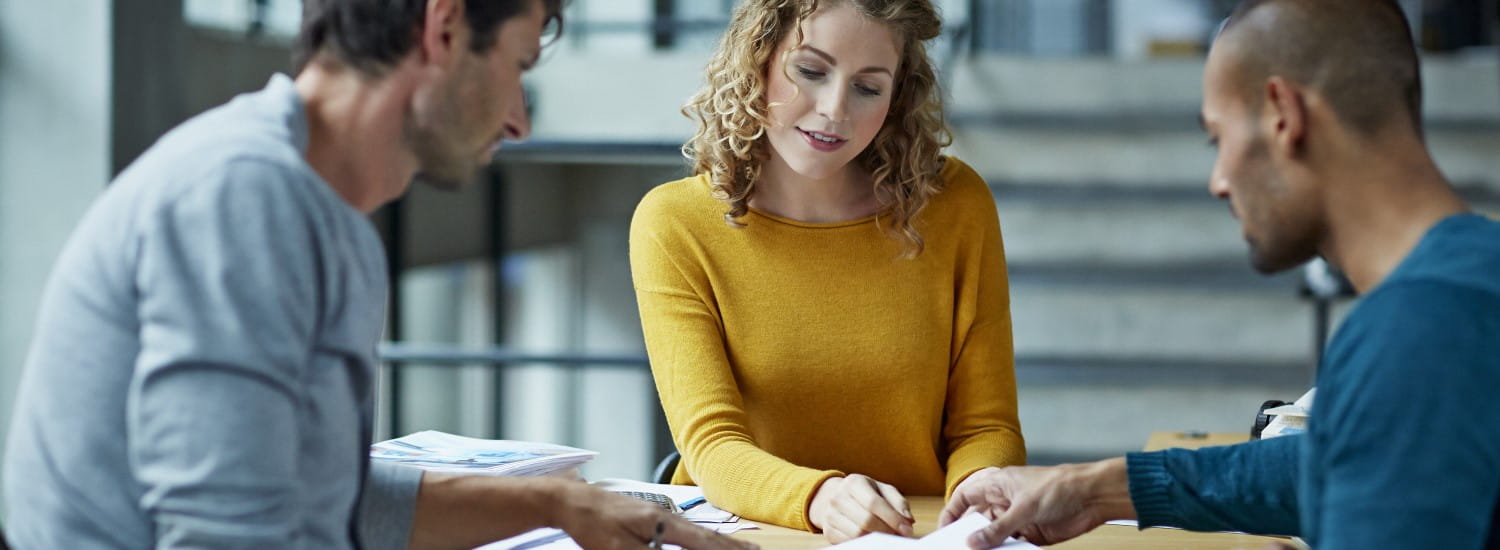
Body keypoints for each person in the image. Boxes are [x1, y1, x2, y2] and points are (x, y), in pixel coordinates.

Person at [1, 1, 754, 549]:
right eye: (518, 67)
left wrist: (563, 506)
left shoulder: (323, 213)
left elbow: (322, 496)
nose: (521, 119)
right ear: (445, 28)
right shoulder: (241, 199)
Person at [939, 0, 1500, 548]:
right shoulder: (1470, 277)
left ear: (1284, 114)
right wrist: (1090, 490)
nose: (1219, 180)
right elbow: (1335, 461)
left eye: (1220, 139)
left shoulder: (1419, 331)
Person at [629, 0, 1026, 543]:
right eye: (810, 71)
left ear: (898, 95)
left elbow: (987, 427)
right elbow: (712, 445)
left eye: (868, 87)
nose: (835, 109)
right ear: (759, 61)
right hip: (745, 534)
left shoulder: (955, 204)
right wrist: (820, 498)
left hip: (921, 534)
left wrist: (982, 493)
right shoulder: (674, 222)